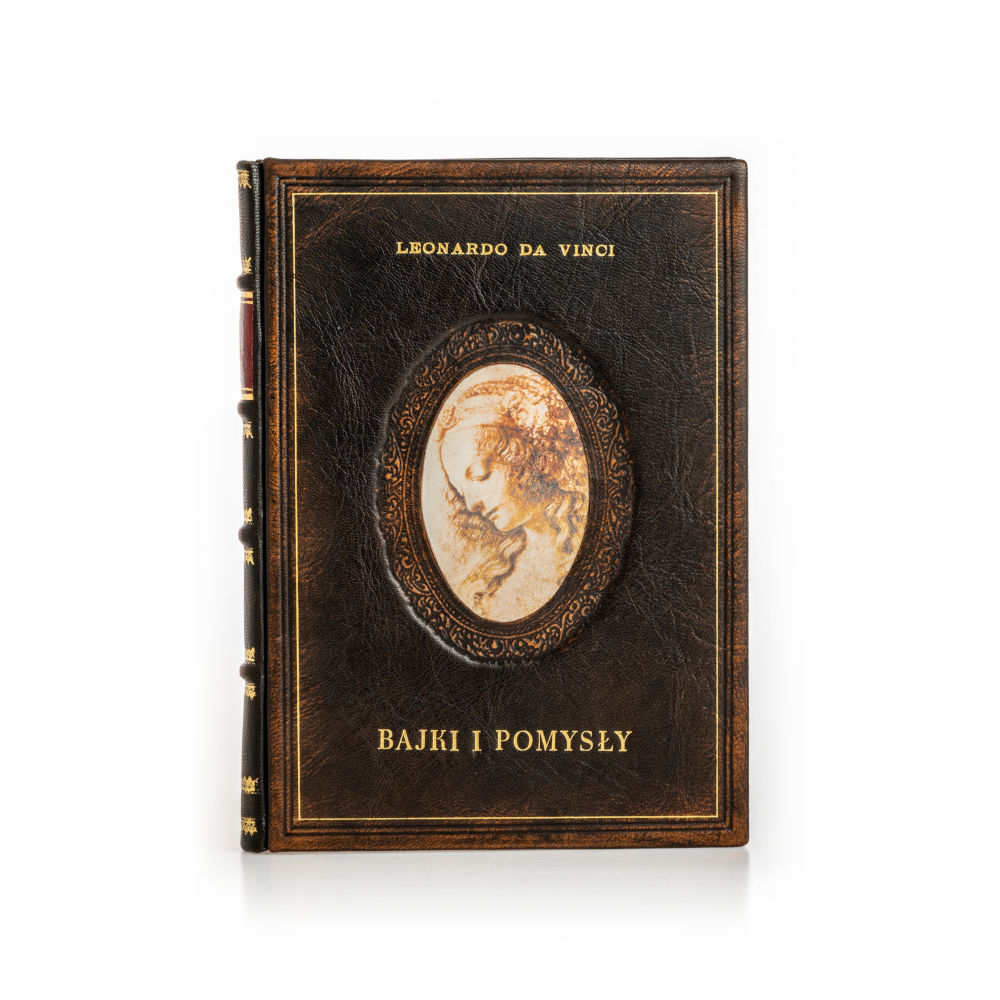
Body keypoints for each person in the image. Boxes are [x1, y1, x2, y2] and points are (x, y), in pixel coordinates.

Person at [435, 367, 588, 622]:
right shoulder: (489, 580)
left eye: (479, 476)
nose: (472, 505)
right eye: (461, 492)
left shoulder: (588, 536)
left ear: (524, 456)